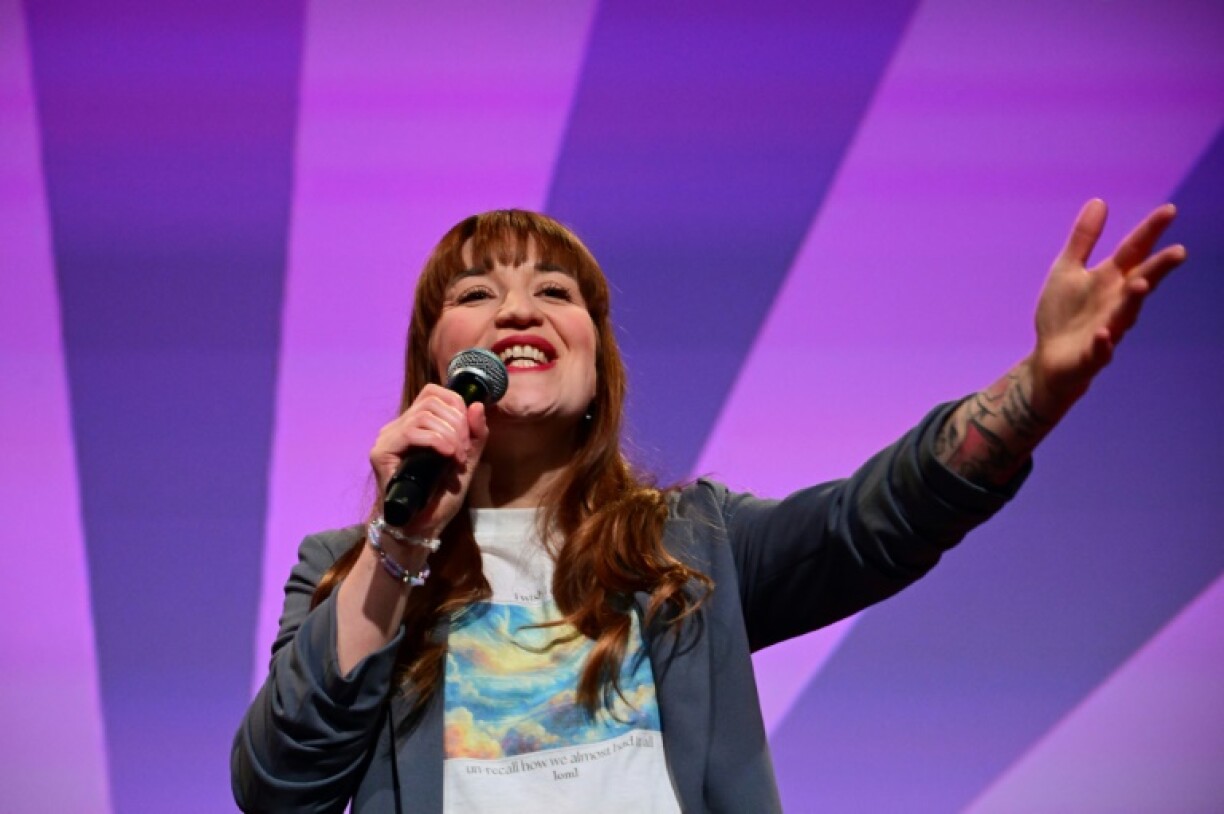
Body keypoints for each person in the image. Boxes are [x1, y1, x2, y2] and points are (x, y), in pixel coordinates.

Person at [232, 202, 1185, 813]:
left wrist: (1037, 391)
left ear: (597, 368)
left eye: (555, 292)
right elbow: (280, 784)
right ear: (435, 367)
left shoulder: (690, 543)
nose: (517, 312)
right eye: (477, 294)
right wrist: (401, 542)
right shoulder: (349, 568)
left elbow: (875, 520)